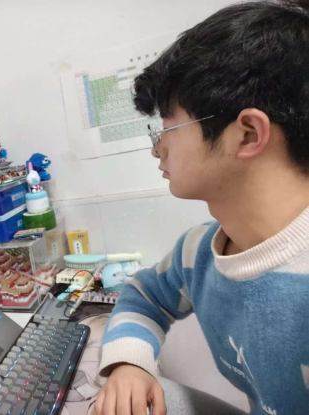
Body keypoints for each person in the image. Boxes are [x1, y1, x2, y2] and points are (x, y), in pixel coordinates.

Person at [96, 1, 309, 414]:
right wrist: (129, 363)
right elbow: (143, 295)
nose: (158, 148)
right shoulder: (198, 252)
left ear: (247, 135)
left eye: (169, 128)